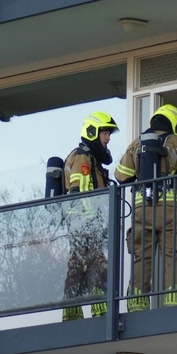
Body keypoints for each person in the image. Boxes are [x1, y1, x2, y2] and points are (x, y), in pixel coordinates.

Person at [115, 104, 177, 310]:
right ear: (175, 122)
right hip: (171, 210)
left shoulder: (136, 144)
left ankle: (137, 304)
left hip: (143, 210)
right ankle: (173, 302)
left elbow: (121, 176)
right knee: (172, 255)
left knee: (142, 256)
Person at [61, 111, 119, 322]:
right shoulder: (83, 156)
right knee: (96, 264)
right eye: (105, 132)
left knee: (80, 265)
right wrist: (94, 222)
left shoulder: (89, 157)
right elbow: (82, 192)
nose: (108, 137)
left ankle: (73, 310)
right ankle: (98, 309)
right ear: (93, 132)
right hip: (86, 223)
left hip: (83, 224)